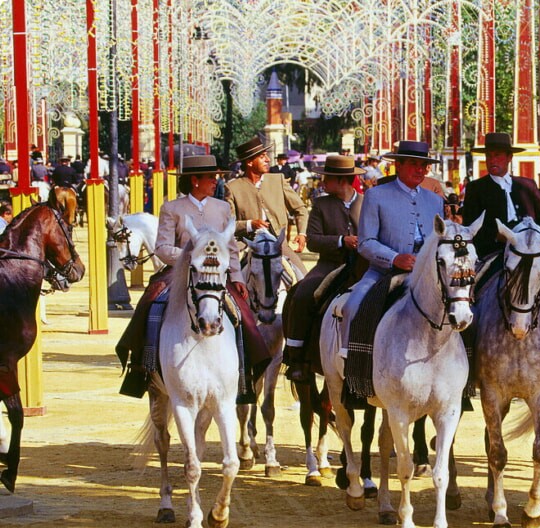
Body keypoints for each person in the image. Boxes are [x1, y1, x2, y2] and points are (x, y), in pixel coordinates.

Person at [115, 155, 270, 399]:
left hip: (216, 274)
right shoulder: (172, 208)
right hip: (178, 273)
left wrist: (238, 277)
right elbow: (163, 248)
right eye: (211, 177)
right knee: (150, 304)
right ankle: (141, 367)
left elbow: (230, 248)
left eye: (216, 177)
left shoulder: (221, 208)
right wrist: (191, 257)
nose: (215, 182)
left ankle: (247, 371)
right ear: (195, 180)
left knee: (243, 314)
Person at [338, 140, 443, 358]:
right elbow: (366, 242)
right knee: (353, 306)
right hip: (382, 272)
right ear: (398, 165)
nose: (420, 169)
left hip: (428, 274)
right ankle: (351, 366)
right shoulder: (377, 195)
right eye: (414, 164)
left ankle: (465, 376)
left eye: (424, 165)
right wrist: (394, 258)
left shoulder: (435, 200)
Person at [282, 155, 364, 382]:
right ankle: (296, 357)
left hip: (363, 266)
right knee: (303, 294)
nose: (322, 182)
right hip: (329, 264)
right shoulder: (321, 204)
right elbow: (314, 240)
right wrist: (341, 241)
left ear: (342, 181)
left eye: (326, 178)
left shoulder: (367, 203)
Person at [460, 132, 540, 258]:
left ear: (509, 157)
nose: (492, 160)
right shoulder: (476, 188)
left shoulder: (527, 186)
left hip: (531, 252)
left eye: (497, 156)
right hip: (494, 253)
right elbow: (470, 225)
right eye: (489, 156)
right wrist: (495, 235)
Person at [224, 136, 309, 269]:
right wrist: (249, 224)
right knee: (227, 276)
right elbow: (227, 225)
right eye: (262, 157)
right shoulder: (232, 187)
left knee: (303, 278)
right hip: (246, 245)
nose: (268, 160)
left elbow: (300, 209)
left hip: (278, 245)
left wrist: (302, 233)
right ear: (250, 162)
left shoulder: (278, 180)